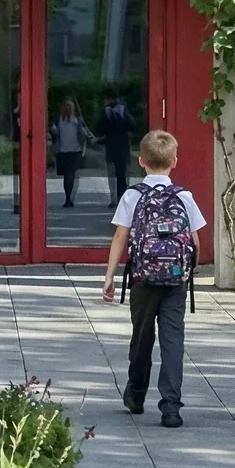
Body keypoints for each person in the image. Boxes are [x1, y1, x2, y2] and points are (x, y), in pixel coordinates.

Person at [102, 130, 206, 428]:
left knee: (142, 338)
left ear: (141, 161)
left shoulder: (133, 195)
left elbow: (121, 235)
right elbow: (195, 241)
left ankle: (136, 394)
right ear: (175, 161)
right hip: (176, 281)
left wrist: (109, 277)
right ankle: (171, 407)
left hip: (142, 279)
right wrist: (188, 270)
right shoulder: (184, 196)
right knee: (173, 341)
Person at [51, 98, 94, 210]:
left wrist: (85, 144)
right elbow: (54, 134)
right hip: (63, 151)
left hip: (75, 151)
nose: (68, 108)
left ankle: (69, 198)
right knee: (66, 176)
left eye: (70, 106)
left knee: (71, 174)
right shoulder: (59, 120)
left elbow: (84, 135)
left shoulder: (77, 121)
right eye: (66, 106)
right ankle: (68, 197)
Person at [99, 94, 136, 202]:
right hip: (123, 145)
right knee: (122, 173)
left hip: (111, 145)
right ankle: (122, 197)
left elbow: (99, 127)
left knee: (113, 174)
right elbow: (133, 125)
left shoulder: (106, 111)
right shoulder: (123, 109)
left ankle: (114, 198)